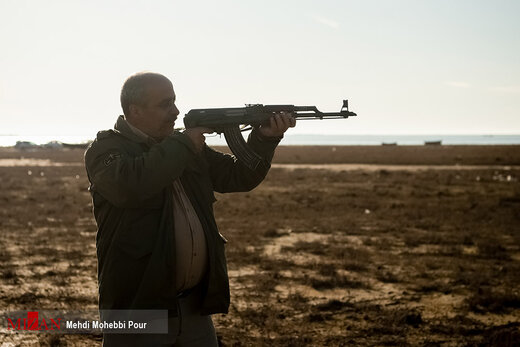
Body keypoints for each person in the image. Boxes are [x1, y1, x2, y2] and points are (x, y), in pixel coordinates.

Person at [84, 72, 295, 346]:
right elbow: (130, 185)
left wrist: (265, 139)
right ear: (135, 111)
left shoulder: (181, 146)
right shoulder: (105, 150)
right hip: (140, 306)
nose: (176, 111)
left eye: (174, 102)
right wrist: (184, 144)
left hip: (194, 306)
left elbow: (238, 176)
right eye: (165, 104)